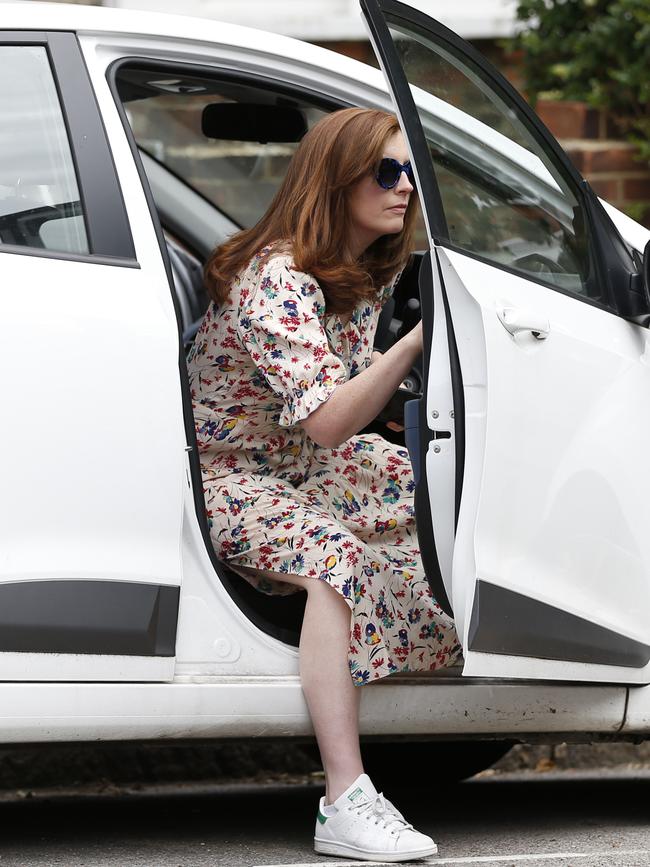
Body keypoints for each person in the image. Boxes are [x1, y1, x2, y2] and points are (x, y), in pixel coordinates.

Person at [187, 107, 461, 862]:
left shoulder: (358, 269)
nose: (405, 186)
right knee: (335, 561)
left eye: (411, 170)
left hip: (302, 465)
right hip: (231, 476)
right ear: (334, 179)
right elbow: (331, 421)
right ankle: (345, 798)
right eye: (385, 170)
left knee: (447, 493)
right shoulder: (277, 280)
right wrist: (416, 341)